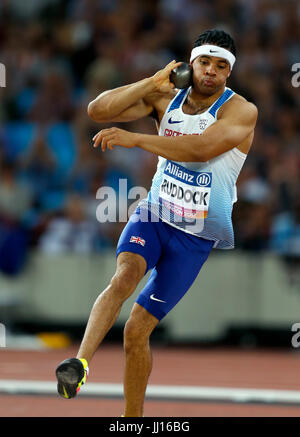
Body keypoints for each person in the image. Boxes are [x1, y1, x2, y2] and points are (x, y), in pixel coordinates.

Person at [55, 29, 258, 417]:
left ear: (229, 73)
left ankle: (133, 420)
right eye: (204, 62)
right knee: (123, 278)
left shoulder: (241, 111)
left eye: (221, 66)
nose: (211, 72)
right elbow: (98, 110)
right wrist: (151, 82)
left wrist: (137, 140)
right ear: (190, 62)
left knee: (136, 331)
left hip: (197, 236)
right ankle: (79, 364)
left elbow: (200, 149)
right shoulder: (166, 97)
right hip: (154, 213)